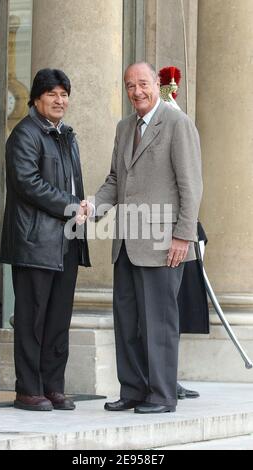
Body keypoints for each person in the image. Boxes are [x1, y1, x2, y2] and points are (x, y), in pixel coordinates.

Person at [83, 62, 203, 413]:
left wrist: (183, 236)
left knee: (159, 324)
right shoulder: (124, 127)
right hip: (126, 243)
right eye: (129, 86)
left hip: (165, 246)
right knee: (128, 323)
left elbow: (191, 187)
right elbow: (114, 181)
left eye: (142, 84)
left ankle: (163, 395)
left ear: (156, 84)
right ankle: (133, 389)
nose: (136, 91)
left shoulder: (177, 123)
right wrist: (92, 206)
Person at [0, 68, 90, 411]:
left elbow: (72, 185)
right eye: (52, 94)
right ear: (37, 98)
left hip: (66, 240)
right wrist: (71, 206)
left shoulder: (66, 135)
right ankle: (28, 389)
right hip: (34, 242)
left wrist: (83, 208)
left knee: (57, 320)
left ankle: (53, 386)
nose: (60, 100)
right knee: (31, 320)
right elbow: (28, 182)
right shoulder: (24, 134)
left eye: (64, 94)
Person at [158, 66, 209, 400]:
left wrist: (189, 231)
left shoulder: (181, 125)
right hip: (148, 232)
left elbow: (189, 184)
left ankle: (167, 379)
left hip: (178, 233)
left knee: (170, 312)